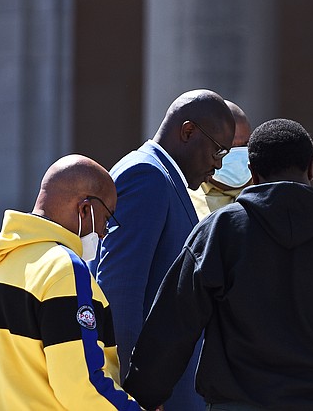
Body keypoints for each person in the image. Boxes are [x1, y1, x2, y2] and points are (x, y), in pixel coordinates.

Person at [123, 119, 313, 411]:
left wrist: (144, 392)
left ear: (251, 172)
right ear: (311, 167)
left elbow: (173, 325)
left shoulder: (220, 232)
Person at [0, 155, 141, 410]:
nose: (103, 231)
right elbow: (81, 385)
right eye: (106, 218)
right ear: (85, 209)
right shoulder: (65, 269)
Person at [92, 89, 235, 410]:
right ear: (188, 131)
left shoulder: (163, 177)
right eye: (218, 151)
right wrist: (133, 394)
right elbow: (120, 291)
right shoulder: (147, 176)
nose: (217, 166)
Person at [189, 100, 253, 219]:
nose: (237, 153)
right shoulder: (185, 200)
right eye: (229, 146)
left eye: (245, 144)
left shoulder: (267, 193)